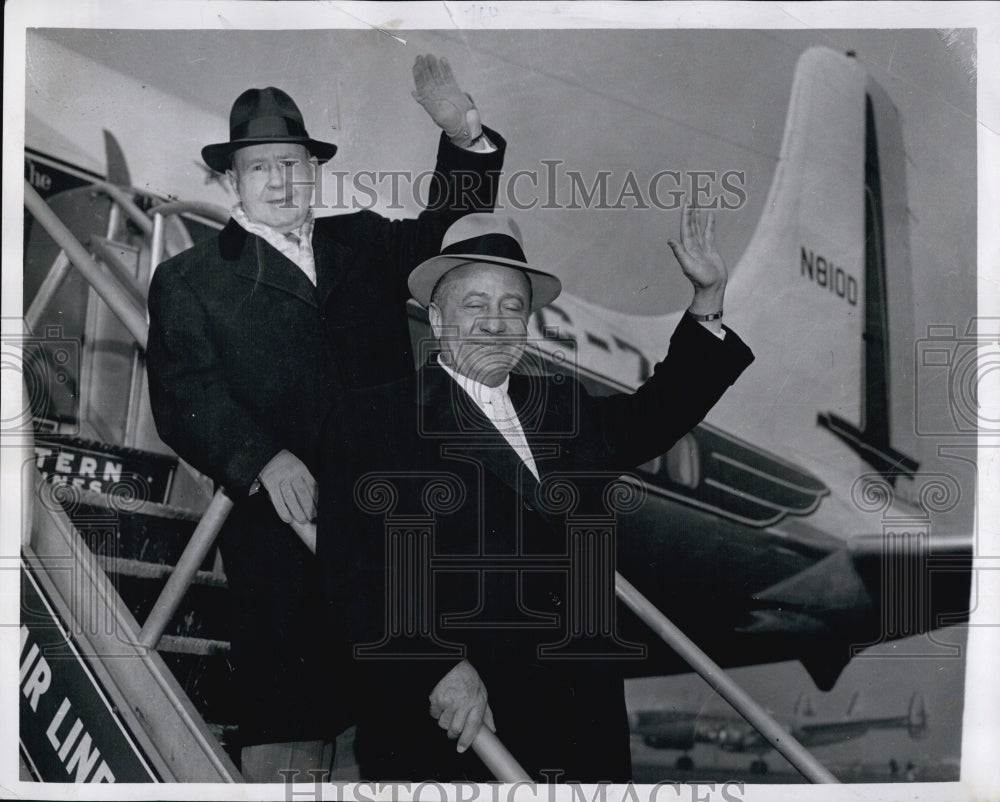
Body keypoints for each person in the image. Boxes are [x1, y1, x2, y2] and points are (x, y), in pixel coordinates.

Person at [145, 56, 505, 781]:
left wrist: (463, 135)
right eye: (260, 168)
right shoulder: (190, 280)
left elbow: (446, 227)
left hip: (388, 540)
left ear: (313, 172)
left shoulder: (365, 243)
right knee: (293, 737)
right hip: (285, 548)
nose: (280, 182)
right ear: (231, 181)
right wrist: (262, 458)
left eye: (293, 164)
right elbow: (185, 396)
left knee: (401, 738)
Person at [318, 208, 755, 781]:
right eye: (475, 305)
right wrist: (435, 667)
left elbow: (659, 413)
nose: (496, 324)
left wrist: (708, 297)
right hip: (459, 723)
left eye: (512, 307)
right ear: (436, 317)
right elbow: (352, 577)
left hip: (580, 719)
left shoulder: (562, 406)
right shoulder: (371, 419)